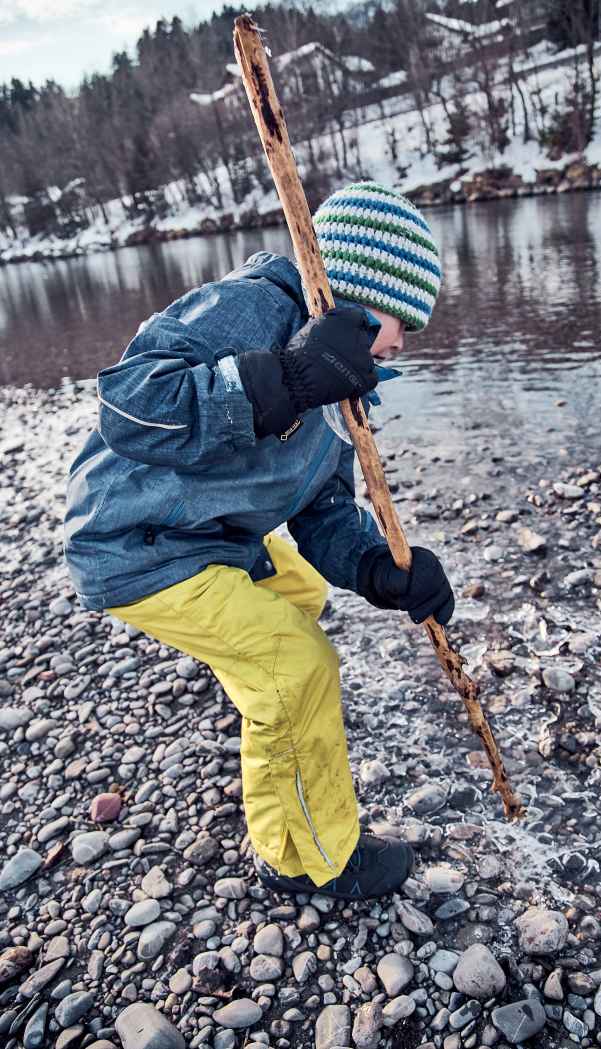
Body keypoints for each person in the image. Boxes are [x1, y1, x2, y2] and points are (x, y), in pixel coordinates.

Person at [64, 181, 454, 900]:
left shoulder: (347, 385)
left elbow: (323, 508)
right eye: (405, 321)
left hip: (211, 537)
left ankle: (277, 769)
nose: (403, 342)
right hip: (136, 540)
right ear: (361, 291)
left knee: (299, 595)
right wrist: (286, 378)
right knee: (299, 665)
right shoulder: (254, 307)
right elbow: (129, 402)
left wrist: (378, 568)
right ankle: (316, 860)